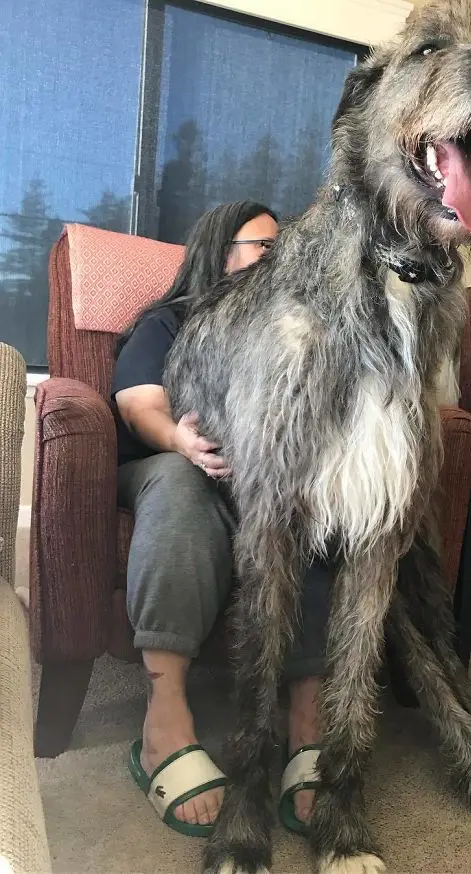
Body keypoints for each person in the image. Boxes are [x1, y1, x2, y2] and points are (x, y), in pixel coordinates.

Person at [113, 201, 327, 838]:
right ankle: (164, 722)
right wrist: (180, 440)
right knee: (181, 484)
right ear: (219, 253)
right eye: (264, 246)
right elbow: (137, 406)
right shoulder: (169, 323)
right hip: (170, 467)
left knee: (311, 502)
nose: (279, 259)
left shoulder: (289, 332)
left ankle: (308, 723)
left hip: (262, 480)